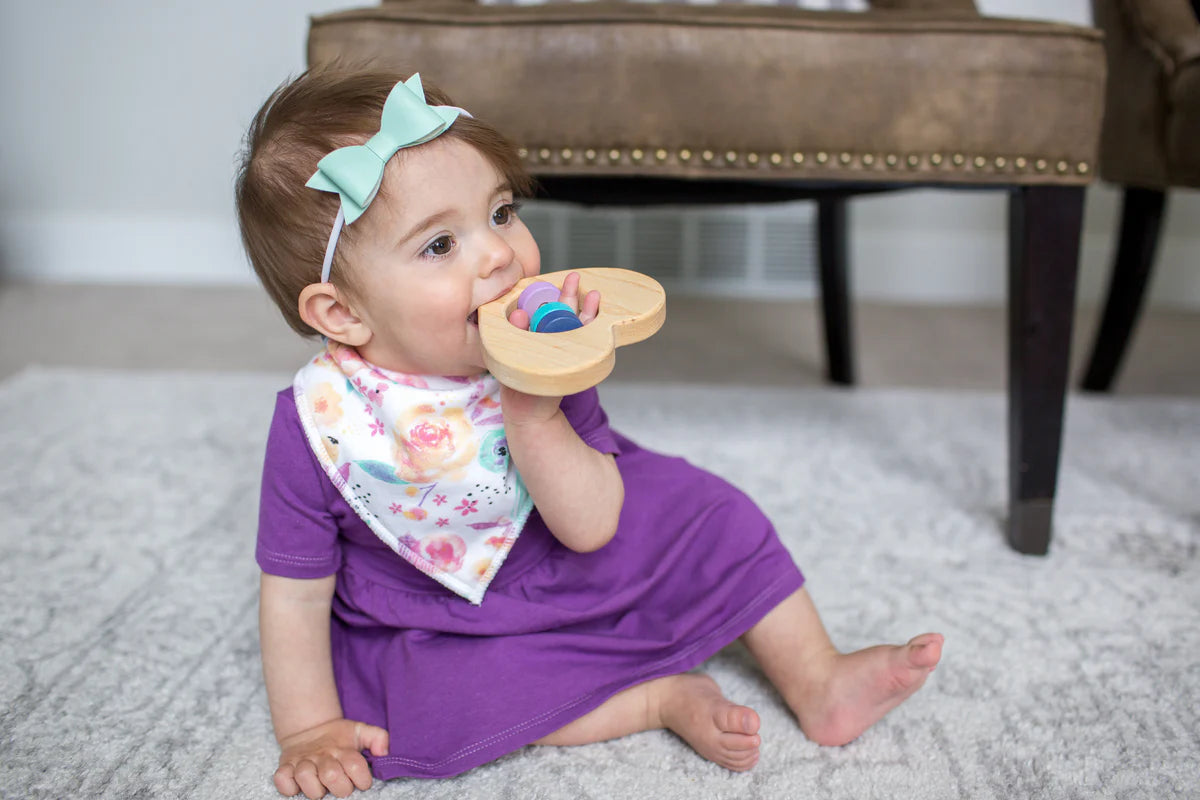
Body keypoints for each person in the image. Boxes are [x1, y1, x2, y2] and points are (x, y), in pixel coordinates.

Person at [235, 66, 944, 800]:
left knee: (716, 516)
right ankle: (654, 699)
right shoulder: (317, 422)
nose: (500, 254)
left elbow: (593, 525)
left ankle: (819, 677)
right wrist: (308, 728)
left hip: (571, 545)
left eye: (501, 212)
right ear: (342, 314)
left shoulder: (548, 341)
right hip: (441, 613)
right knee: (445, 702)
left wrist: (535, 405)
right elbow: (293, 594)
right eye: (440, 246)